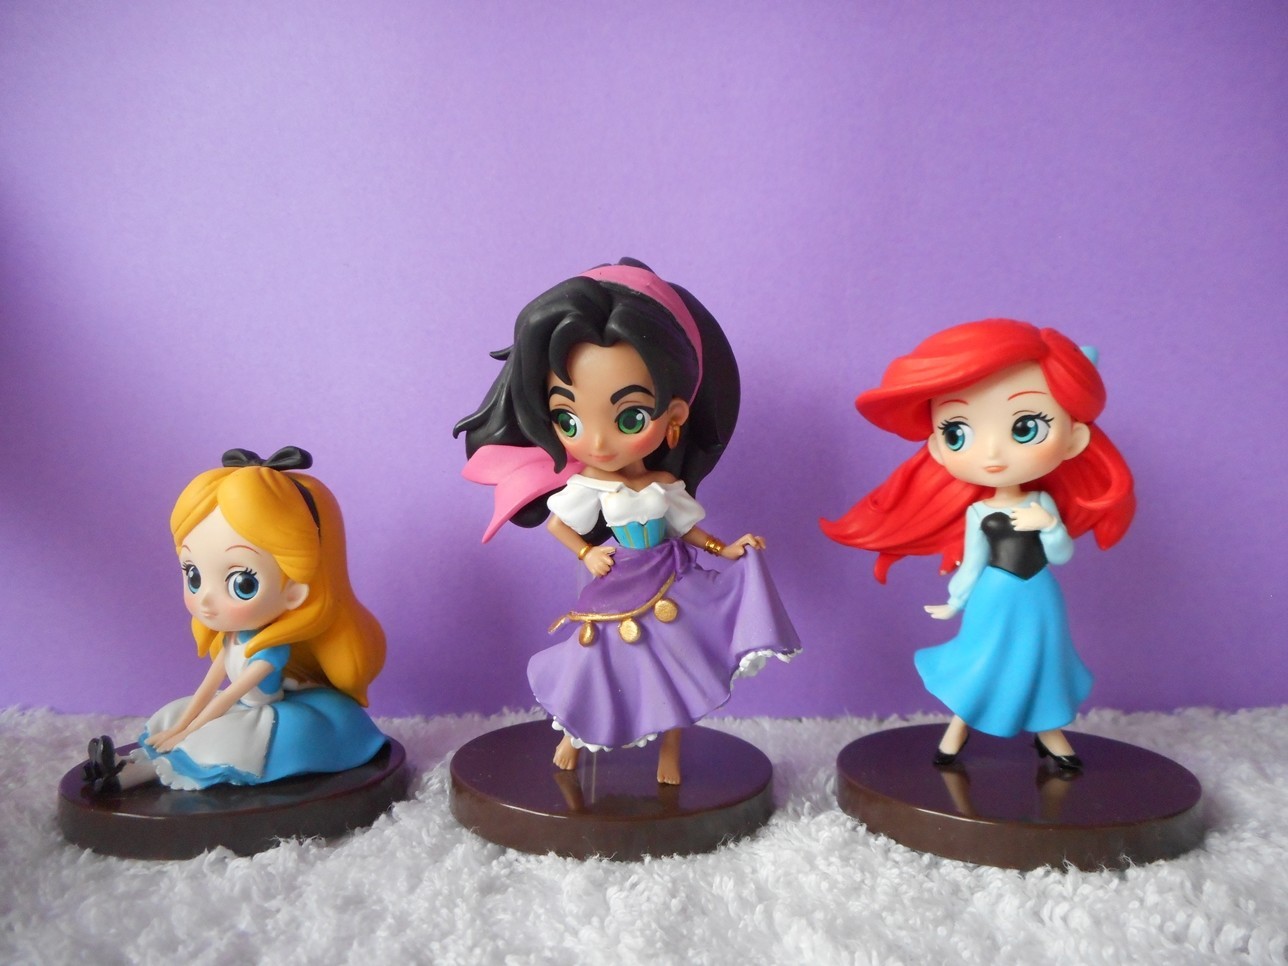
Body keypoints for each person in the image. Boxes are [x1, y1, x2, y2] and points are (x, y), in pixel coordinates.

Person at [456, 259, 800, 784]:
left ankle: (669, 752)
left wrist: (726, 550)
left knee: (678, 671)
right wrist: (587, 552)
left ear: (675, 417)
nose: (597, 443)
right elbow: (558, 526)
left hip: (673, 582)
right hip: (617, 584)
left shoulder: (663, 485)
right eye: (568, 418)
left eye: (630, 417)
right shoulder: (590, 487)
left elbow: (686, 529)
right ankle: (573, 738)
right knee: (594, 664)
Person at [821, 320, 1135, 770]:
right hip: (993, 597)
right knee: (985, 664)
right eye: (958, 433)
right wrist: (954, 602)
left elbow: (1061, 554)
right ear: (938, 447)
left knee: (1041, 664)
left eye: (1025, 427)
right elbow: (972, 563)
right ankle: (957, 734)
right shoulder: (979, 513)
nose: (992, 454)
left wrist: (1049, 525)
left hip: (1039, 596)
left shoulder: (1041, 503)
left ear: (1074, 439)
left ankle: (1050, 736)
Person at [83, 447, 388, 793]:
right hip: (237, 708)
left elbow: (228, 697)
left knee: (210, 742)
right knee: (172, 718)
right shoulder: (230, 638)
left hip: (262, 719)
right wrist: (179, 726)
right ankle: (122, 764)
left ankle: (127, 777)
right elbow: (209, 688)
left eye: (242, 583)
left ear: (295, 593)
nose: (206, 600)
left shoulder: (271, 651)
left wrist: (189, 732)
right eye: (193, 575)